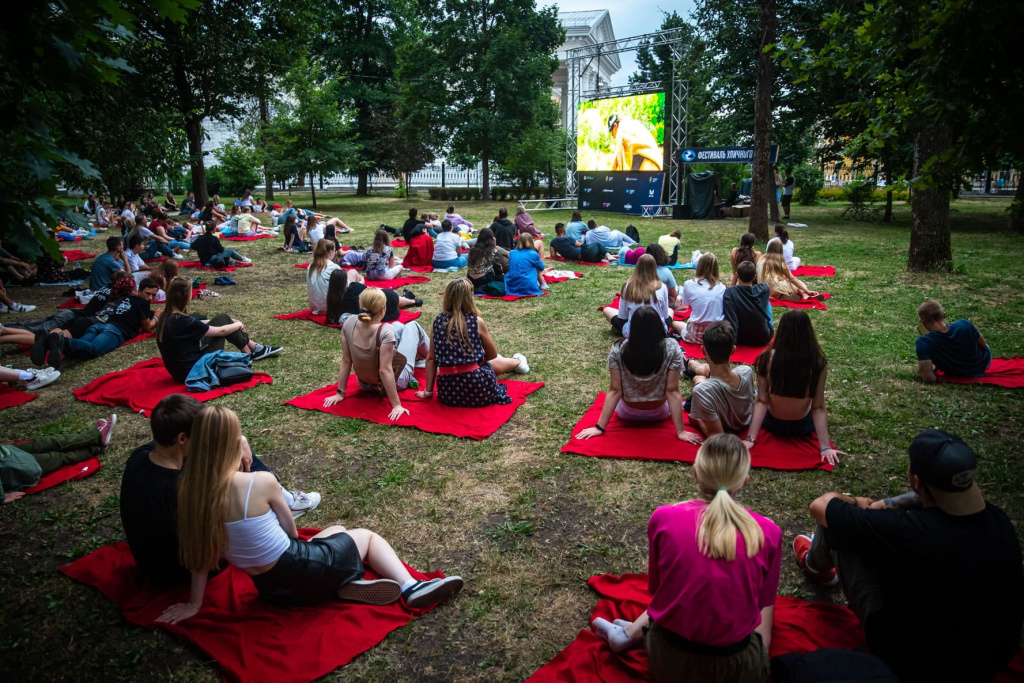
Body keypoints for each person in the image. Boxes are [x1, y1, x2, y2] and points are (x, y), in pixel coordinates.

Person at [156, 406, 463, 623]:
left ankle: (340, 583)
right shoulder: (260, 483)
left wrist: (195, 604)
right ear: (235, 442)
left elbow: (199, 558)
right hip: (301, 571)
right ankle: (412, 588)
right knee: (365, 538)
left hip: (273, 592)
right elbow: (291, 534)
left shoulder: (191, 494)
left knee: (335, 530)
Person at [793, 430, 1023, 683]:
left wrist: (855, 500)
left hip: (912, 663)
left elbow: (821, 507)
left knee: (841, 529)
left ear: (916, 480)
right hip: (988, 662)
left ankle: (815, 566)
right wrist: (885, 504)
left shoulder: (909, 531)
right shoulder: (999, 523)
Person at [591, 433, 780, 683]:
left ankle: (628, 634)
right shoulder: (768, 531)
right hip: (738, 669)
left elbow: (658, 589)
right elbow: (761, 602)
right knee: (767, 603)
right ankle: (761, 653)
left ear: (695, 473)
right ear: (744, 481)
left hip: (669, 662)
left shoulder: (664, 518)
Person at [120, 395, 320, 586]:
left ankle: (284, 500)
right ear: (182, 438)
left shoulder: (143, 455)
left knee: (228, 451)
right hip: (183, 570)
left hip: (160, 559)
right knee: (232, 468)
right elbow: (206, 543)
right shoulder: (179, 489)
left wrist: (239, 439)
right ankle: (282, 501)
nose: (208, 436)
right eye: (202, 432)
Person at [575, 306, 696, 444]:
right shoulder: (672, 347)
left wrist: (599, 427)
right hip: (660, 413)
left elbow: (615, 390)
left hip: (627, 413)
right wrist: (681, 431)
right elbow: (672, 391)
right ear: (658, 326)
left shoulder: (618, 348)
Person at [744, 310, 843, 465]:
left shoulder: (766, 358)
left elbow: (762, 401)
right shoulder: (818, 361)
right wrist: (824, 447)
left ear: (781, 331)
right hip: (802, 426)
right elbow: (817, 406)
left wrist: (750, 439)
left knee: (755, 394)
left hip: (773, 424)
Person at [414, 279, 528, 408]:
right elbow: (492, 354)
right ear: (469, 297)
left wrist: (428, 392)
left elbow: (431, 359)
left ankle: (513, 361)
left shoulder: (438, 321)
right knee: (491, 362)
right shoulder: (476, 321)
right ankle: (518, 361)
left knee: (481, 362)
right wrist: (477, 359)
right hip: (478, 388)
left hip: (448, 392)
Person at [321, 288, 429, 422]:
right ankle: (434, 358)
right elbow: (385, 370)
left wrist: (340, 393)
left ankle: (420, 357)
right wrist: (396, 405)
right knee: (413, 326)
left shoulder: (348, 322)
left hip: (364, 384)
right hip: (395, 382)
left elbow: (346, 360)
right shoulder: (385, 331)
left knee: (397, 326)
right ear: (383, 309)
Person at [156, 277, 281, 383]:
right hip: (193, 371)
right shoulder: (182, 321)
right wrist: (238, 325)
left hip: (179, 372)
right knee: (222, 320)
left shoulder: (166, 317)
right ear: (185, 296)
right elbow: (221, 332)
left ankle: (251, 351)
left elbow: (197, 323)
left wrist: (229, 321)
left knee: (222, 318)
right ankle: (250, 352)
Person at [45, 278, 159, 366]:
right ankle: (62, 341)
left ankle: (57, 343)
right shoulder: (143, 303)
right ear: (139, 291)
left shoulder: (127, 298)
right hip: (114, 331)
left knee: (77, 350)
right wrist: (157, 317)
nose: (150, 298)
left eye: (153, 295)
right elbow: (147, 327)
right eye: (148, 293)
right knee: (93, 350)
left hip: (100, 325)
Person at [2, 418, 116, 505]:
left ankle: (96, 436)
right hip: (9, 468)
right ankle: (93, 446)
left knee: (43, 442)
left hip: (5, 452)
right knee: (57, 457)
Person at [683, 321, 755, 437]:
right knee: (712, 373)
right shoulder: (746, 372)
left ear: (703, 350)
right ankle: (693, 366)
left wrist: (698, 421)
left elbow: (716, 436)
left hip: (706, 388)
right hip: (717, 381)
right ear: (733, 350)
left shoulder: (702, 391)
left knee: (700, 380)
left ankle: (694, 369)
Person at [603, 254, 683, 337]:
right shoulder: (662, 287)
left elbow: (622, 316)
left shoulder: (628, 286)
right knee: (670, 310)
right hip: (658, 332)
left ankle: (622, 330)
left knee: (607, 310)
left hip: (633, 333)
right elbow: (665, 315)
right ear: (654, 268)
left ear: (637, 267)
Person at [915, 299, 991, 382]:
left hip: (954, 372)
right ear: (944, 315)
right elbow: (983, 344)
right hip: (982, 365)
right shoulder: (964, 324)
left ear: (922, 321)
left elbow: (928, 378)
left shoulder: (924, 342)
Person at [323, 269, 421, 326]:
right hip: (381, 305)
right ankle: (411, 301)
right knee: (392, 297)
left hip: (376, 308)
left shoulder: (332, 299)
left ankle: (409, 299)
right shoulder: (354, 288)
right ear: (345, 282)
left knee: (390, 300)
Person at [723, 261, 774, 347]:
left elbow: (732, 319)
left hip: (740, 338)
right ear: (754, 277)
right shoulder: (764, 289)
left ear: (737, 276)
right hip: (763, 337)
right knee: (767, 302)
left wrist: (734, 281)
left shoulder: (730, 293)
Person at [680, 252, 726, 345]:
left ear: (699, 266)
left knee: (676, 324)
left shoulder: (689, 284)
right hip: (717, 334)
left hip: (696, 334)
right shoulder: (722, 287)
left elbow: (690, 306)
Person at [756, 242, 823, 301]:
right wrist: (807, 290)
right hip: (777, 288)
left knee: (782, 279)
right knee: (795, 282)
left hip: (762, 289)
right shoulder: (779, 262)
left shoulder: (761, 258)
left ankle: (781, 296)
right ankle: (805, 294)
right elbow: (792, 279)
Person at [466, 227, 509, 293]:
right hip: (483, 279)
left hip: (470, 279)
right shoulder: (493, 251)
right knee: (504, 278)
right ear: (492, 238)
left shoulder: (472, 250)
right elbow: (499, 266)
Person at [306, 240, 341, 315]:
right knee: (353, 274)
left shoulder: (310, 266)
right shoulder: (333, 267)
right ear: (331, 252)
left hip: (314, 307)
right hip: (330, 307)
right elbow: (347, 285)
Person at [645, 244, 683, 310]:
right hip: (661, 303)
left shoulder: (641, 271)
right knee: (681, 289)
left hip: (642, 300)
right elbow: (673, 294)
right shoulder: (666, 272)